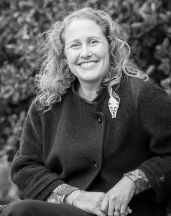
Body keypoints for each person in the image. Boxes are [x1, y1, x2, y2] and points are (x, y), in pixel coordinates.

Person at [2, 7, 171, 216]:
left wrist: (132, 182)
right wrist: (75, 197)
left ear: (110, 46)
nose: (85, 53)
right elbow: (25, 169)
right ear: (64, 55)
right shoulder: (45, 106)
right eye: (75, 45)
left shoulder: (143, 95)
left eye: (93, 42)